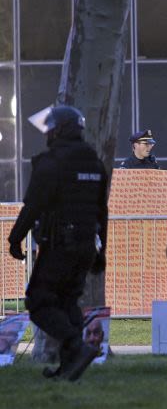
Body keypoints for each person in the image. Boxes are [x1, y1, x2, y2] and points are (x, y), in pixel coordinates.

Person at [7, 105, 108, 382]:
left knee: (38, 302)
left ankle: (76, 346)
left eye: (50, 128)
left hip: (60, 245)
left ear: (59, 130)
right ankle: (68, 369)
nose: (48, 133)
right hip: (87, 245)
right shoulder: (95, 163)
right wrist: (103, 252)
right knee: (66, 303)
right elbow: (102, 210)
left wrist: (15, 238)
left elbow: (33, 206)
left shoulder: (51, 162)